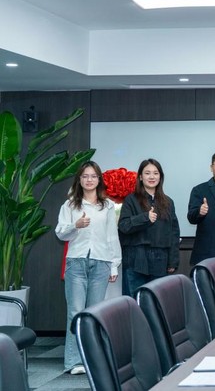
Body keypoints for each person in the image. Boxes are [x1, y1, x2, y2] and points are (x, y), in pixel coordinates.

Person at [55, 161, 121, 375]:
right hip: (76, 262)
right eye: (85, 176)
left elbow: (112, 236)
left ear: (99, 179)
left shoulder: (107, 205)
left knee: (94, 313)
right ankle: (74, 362)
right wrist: (75, 226)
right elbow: (60, 233)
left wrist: (114, 265)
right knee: (75, 312)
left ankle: (92, 360)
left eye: (93, 176)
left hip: (101, 262)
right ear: (79, 180)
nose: (89, 180)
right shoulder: (70, 205)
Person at [118, 158, 180, 297]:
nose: (152, 177)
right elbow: (123, 226)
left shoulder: (168, 202)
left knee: (157, 302)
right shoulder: (131, 200)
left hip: (160, 260)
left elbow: (174, 233)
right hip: (136, 259)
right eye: (147, 173)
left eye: (155, 173)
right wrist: (145, 218)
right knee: (134, 301)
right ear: (140, 177)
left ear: (160, 177)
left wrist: (173, 261)